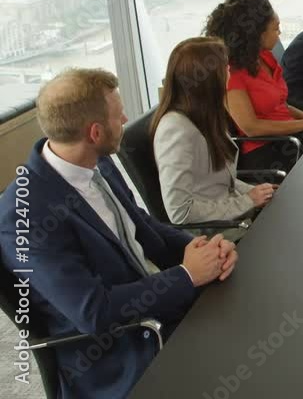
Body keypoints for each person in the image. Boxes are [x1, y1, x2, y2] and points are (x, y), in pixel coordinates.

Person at [0, 68, 238, 398]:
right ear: (95, 132)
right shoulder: (23, 215)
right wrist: (187, 275)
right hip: (123, 348)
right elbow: (93, 312)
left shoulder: (98, 161)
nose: (126, 117)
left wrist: (204, 248)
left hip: (160, 303)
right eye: (118, 114)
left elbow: (142, 225)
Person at [204, 0, 303, 172]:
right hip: (267, 150)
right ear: (255, 34)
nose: (279, 32)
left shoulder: (264, 57)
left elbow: (283, 105)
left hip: (291, 136)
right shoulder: (231, 74)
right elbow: (251, 128)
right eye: (275, 28)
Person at [152, 37, 278, 241]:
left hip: (234, 220)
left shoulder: (205, 113)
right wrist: (248, 201)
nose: (229, 70)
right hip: (216, 235)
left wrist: (253, 191)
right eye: (224, 66)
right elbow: (180, 211)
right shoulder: (176, 130)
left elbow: (217, 182)